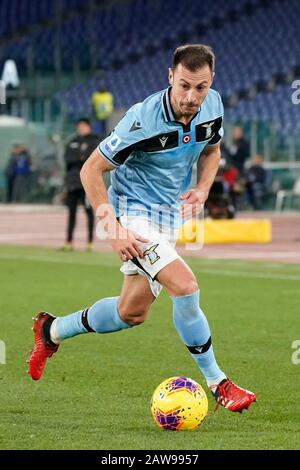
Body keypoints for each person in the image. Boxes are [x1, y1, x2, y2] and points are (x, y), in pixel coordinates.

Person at [28, 45, 256, 413]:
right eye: (183, 85)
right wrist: (113, 228)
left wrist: (203, 188)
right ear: (170, 77)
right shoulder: (142, 119)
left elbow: (212, 150)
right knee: (185, 286)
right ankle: (219, 383)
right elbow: (90, 169)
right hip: (132, 215)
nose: (191, 96)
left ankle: (50, 330)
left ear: (211, 82)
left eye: (200, 87)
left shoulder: (213, 106)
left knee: (130, 312)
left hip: (169, 218)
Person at [62, 118, 99, 252]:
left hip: (87, 184)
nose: (81, 128)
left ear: (89, 127)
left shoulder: (94, 141)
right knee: (71, 213)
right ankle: (69, 241)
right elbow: (68, 159)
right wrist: (81, 158)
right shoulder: (72, 141)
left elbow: (91, 159)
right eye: (79, 126)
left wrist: (80, 158)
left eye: (83, 126)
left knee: (89, 212)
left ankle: (89, 242)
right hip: (72, 183)